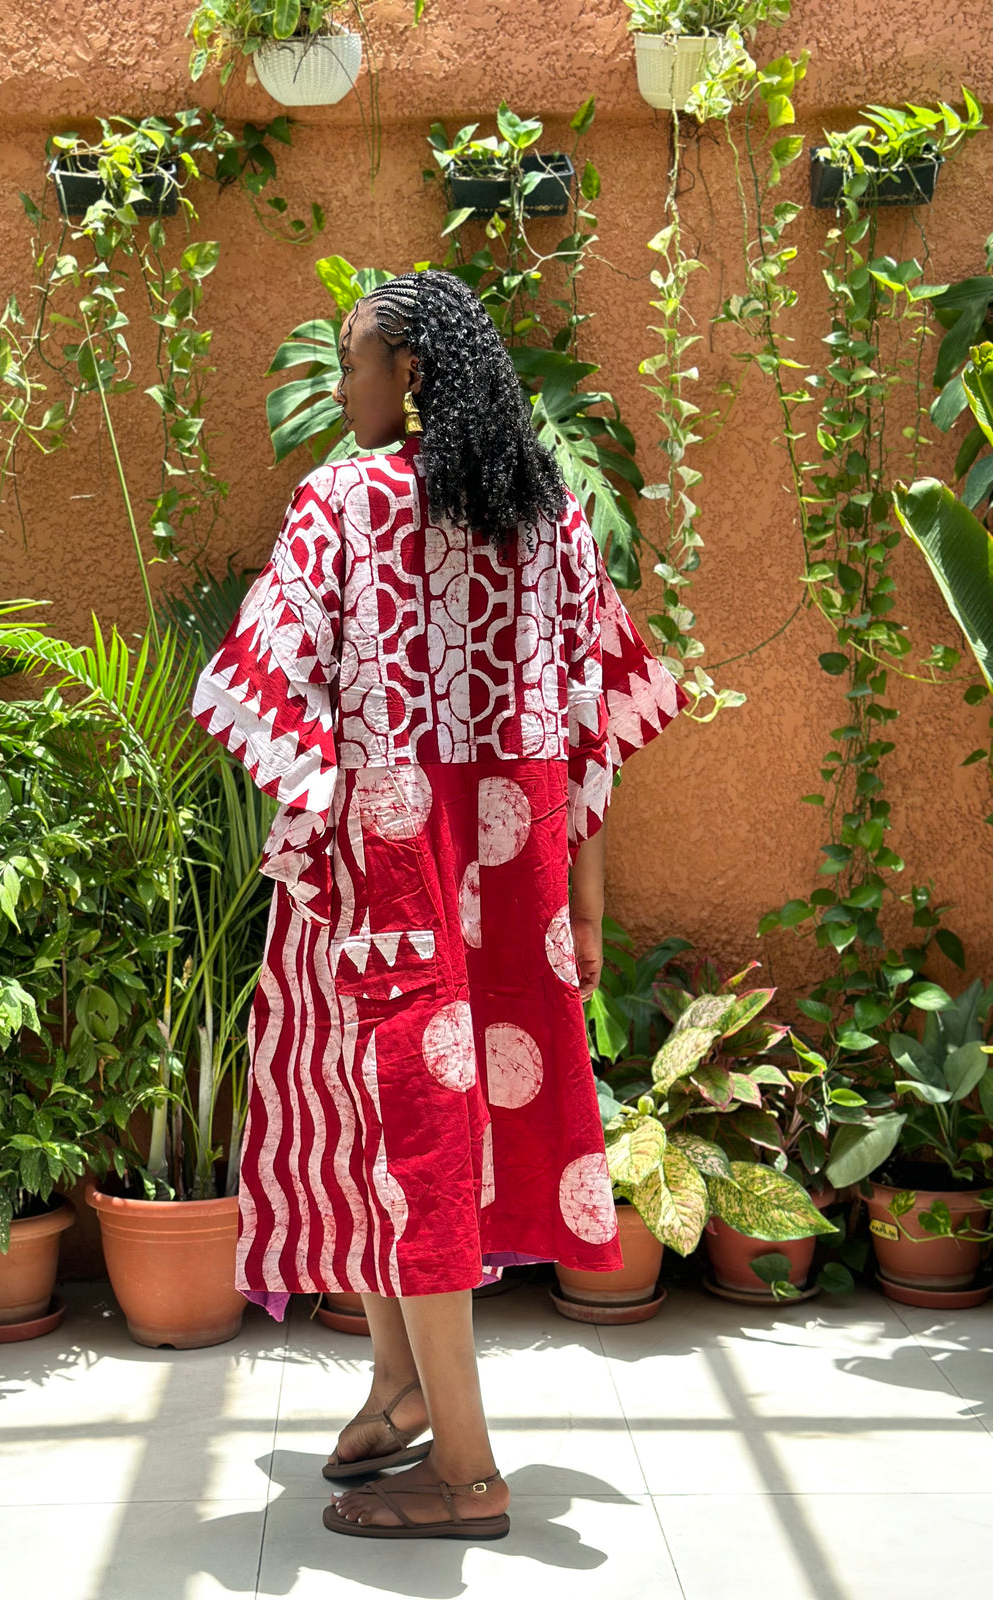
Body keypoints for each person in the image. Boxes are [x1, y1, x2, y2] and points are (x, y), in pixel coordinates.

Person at [191, 268, 686, 1541]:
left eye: (354, 360)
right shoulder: (549, 508)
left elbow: (259, 686)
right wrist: (582, 900)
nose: (343, 383)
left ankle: (467, 1477)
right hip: (513, 880)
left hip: (397, 879)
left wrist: (323, 813)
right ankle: (399, 1387)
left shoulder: (346, 503)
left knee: (415, 1149)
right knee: (431, 1142)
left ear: (406, 373)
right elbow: (592, 724)